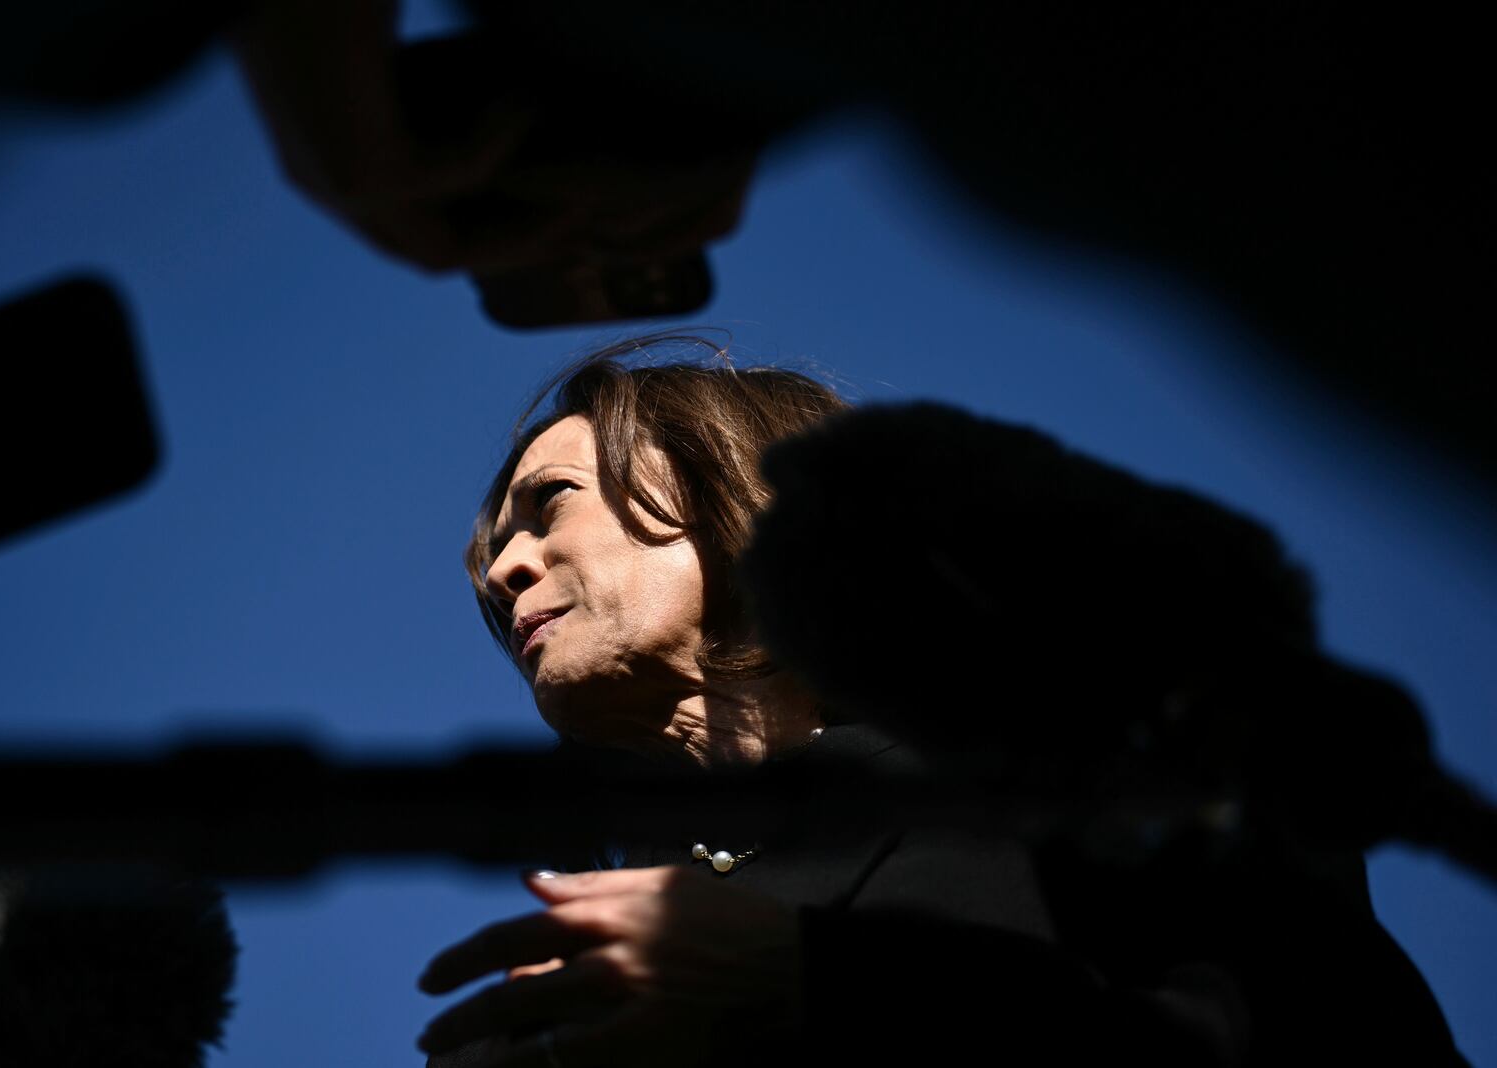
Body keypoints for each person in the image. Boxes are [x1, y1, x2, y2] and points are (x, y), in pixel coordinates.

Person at [416, 333, 1466, 1067]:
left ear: (734, 480)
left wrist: (826, 990)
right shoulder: (569, 977)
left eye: (548, 506)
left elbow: (1342, 1039)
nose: (507, 569)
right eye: (492, 554)